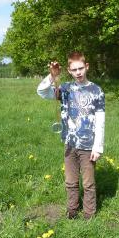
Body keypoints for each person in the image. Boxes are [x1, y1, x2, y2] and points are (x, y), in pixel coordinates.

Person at [37, 52, 105, 220]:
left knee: (88, 183)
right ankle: (72, 212)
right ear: (69, 70)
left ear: (86, 66)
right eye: (74, 70)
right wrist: (52, 76)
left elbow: (100, 120)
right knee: (70, 181)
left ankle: (89, 215)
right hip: (69, 144)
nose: (78, 72)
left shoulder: (96, 91)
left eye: (81, 68)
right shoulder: (66, 89)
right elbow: (41, 92)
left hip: (88, 146)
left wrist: (98, 146)